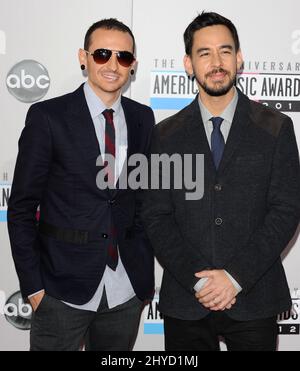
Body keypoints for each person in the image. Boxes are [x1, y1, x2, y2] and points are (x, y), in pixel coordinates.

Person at [141, 12, 300, 351]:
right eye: (204, 53)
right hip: (186, 301)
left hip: (255, 296)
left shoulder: (276, 128)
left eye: (225, 51)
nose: (216, 62)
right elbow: (156, 217)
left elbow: (286, 210)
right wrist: (201, 282)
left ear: (239, 58)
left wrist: (234, 277)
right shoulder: (165, 135)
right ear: (188, 64)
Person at [7, 18, 155, 351]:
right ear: (83, 57)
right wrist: (34, 288)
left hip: (125, 292)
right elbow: (20, 207)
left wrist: (141, 279)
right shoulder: (48, 117)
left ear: (133, 66)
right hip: (59, 292)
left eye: (124, 57)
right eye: (102, 54)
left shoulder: (143, 118)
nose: (113, 65)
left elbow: (143, 199)